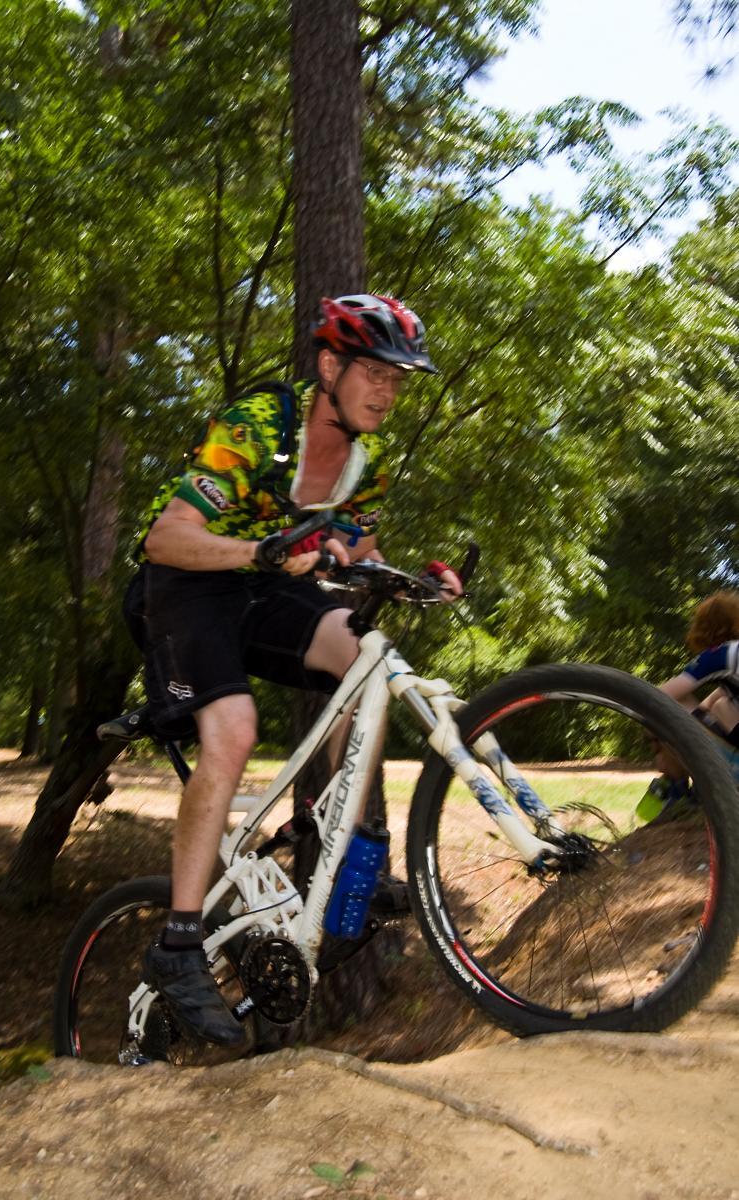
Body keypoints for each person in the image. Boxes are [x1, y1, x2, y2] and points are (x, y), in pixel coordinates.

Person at [126, 294, 462, 1044]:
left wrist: (420, 578)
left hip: (263, 588)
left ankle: (339, 850)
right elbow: (165, 536)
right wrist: (261, 551)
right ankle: (177, 945)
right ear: (329, 365)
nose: (386, 391)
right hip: (183, 586)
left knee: (364, 654)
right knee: (234, 729)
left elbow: (358, 552)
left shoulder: (360, 467)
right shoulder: (260, 425)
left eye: (398, 379)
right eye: (373, 372)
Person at [641, 590, 739, 821]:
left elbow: (659, 695)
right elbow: (708, 705)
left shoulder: (721, 654)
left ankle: (679, 791)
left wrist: (654, 737)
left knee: (668, 705)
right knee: (721, 705)